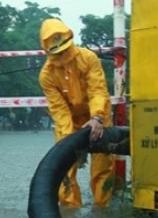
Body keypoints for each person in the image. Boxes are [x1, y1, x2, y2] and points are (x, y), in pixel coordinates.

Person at [37, 17, 115, 208]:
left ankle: (102, 208)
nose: (63, 56)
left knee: (102, 167)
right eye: (58, 52)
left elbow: (98, 90)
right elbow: (59, 109)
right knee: (65, 170)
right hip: (69, 122)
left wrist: (97, 117)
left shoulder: (88, 58)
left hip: (98, 118)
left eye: (65, 49)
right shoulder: (46, 76)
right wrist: (70, 141)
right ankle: (71, 211)